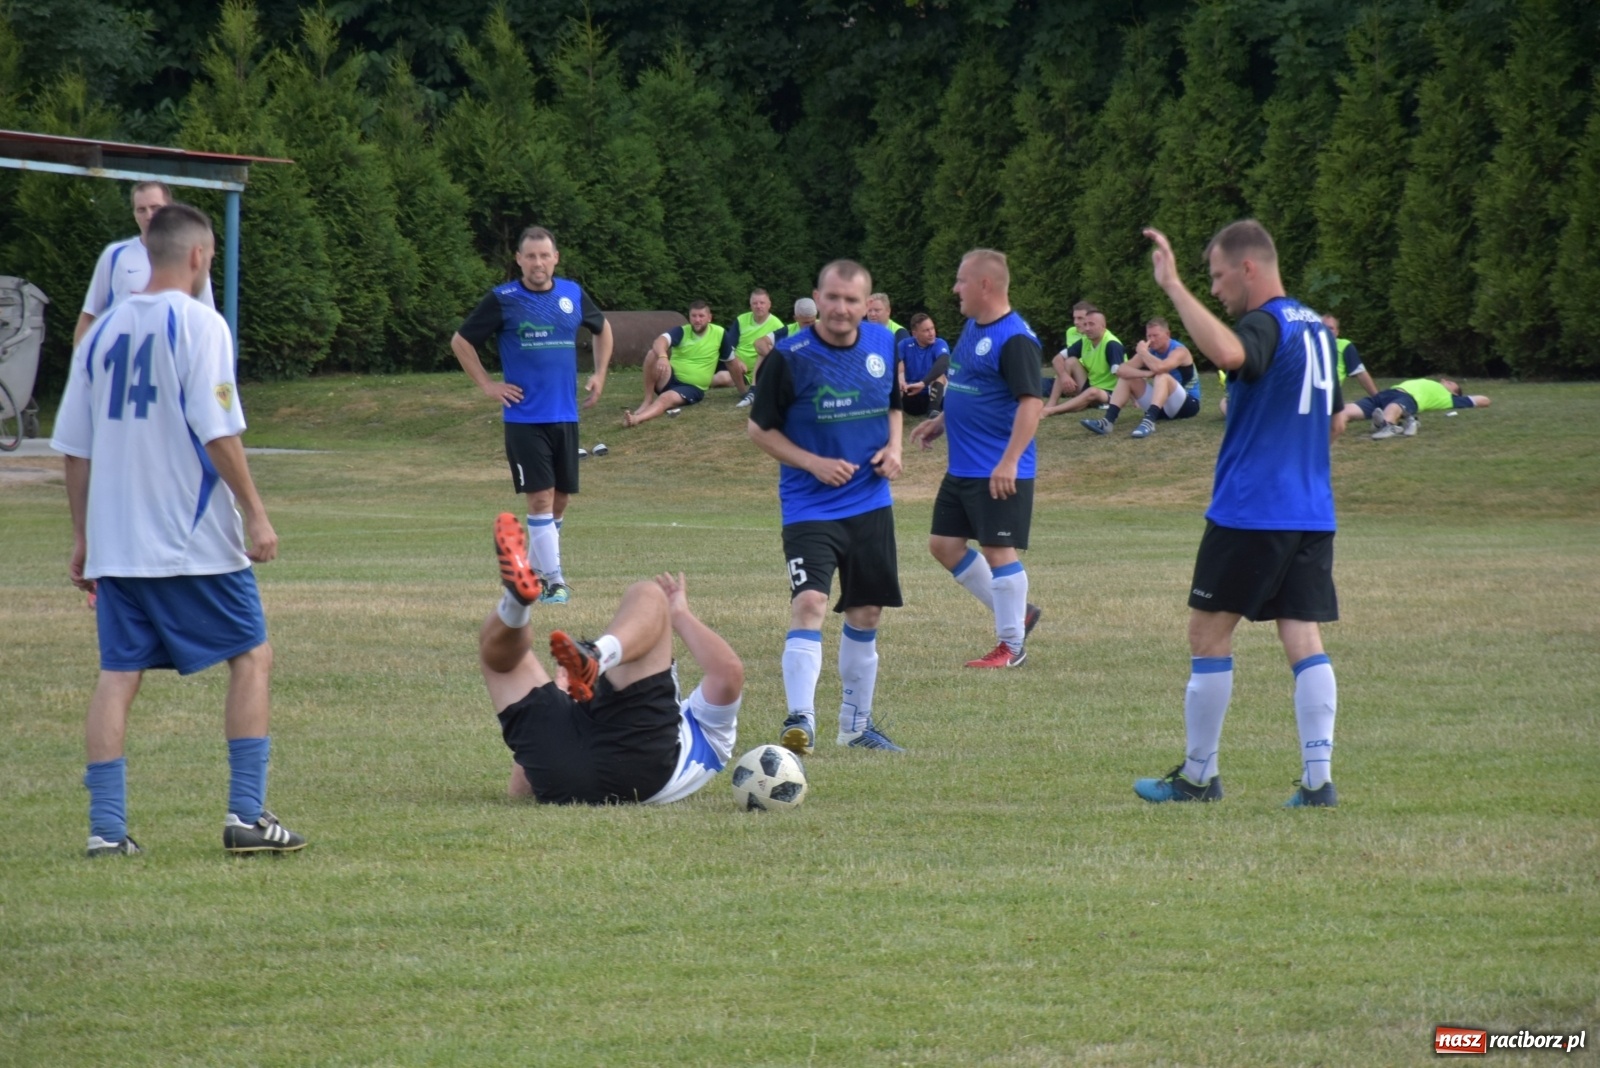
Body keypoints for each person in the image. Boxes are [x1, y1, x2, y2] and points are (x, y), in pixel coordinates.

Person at [51, 203, 303, 856]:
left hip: (117, 543)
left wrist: (83, 537)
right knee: (251, 655)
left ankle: (106, 832)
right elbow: (217, 430)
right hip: (191, 541)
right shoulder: (200, 324)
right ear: (198, 256)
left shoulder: (99, 334)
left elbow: (74, 449)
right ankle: (246, 815)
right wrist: (256, 512)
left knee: (118, 673)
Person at [1133, 219, 1346, 809]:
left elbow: (1229, 352)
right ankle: (1318, 783)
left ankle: (1198, 776)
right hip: (1311, 510)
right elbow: (1334, 420)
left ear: (1248, 268)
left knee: (1207, 633)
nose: (1215, 289)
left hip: (1253, 509)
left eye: (1218, 276)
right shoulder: (1316, 328)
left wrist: (1174, 287)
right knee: (1302, 634)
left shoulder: (1265, 321)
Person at [747, 259, 907, 754]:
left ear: (867, 304)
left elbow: (895, 404)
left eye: (851, 300)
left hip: (870, 501)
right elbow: (758, 430)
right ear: (817, 298)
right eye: (832, 298)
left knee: (867, 612)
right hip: (809, 507)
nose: (841, 308)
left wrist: (895, 448)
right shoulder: (790, 356)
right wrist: (813, 463)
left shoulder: (883, 343)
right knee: (810, 602)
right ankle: (801, 719)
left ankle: (855, 727)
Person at [484, 514, 742, 805]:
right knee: (502, 664)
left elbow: (729, 672)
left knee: (649, 594)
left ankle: (585, 648)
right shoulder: (697, 738)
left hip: (634, 762)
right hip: (582, 776)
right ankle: (517, 603)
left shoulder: (714, 736)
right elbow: (521, 789)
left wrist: (678, 614)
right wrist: (559, 703)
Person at [452, 225, 614, 606]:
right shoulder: (503, 299)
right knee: (540, 499)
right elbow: (461, 341)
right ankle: (554, 581)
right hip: (524, 419)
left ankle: (532, 571)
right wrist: (488, 385)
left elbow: (603, 329)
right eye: (530, 256)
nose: (538, 263)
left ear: (555, 258)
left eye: (544, 255)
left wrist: (600, 374)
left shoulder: (572, 294)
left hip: (566, 415)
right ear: (519, 260)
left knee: (559, 501)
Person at [910, 249, 1044, 668]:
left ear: (985, 285)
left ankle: (1012, 647)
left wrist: (1009, 461)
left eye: (961, 280)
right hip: (964, 466)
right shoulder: (972, 326)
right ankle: (1019, 614)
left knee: (998, 550)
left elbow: (1031, 404)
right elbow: (968, 383)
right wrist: (942, 420)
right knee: (944, 545)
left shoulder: (1015, 338)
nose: (955, 288)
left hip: (997, 468)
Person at [76, 181, 215, 345]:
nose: (149, 216)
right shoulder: (114, 255)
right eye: (141, 210)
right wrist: (80, 358)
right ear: (134, 214)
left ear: (169, 210)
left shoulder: (189, 257)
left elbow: (207, 322)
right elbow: (89, 315)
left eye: (155, 208)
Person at [1079, 317, 1201, 438]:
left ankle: (1149, 422)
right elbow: (1121, 370)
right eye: (1149, 336)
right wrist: (1146, 374)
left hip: (1187, 405)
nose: (1151, 340)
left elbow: (1161, 368)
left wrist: (1143, 353)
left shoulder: (1179, 351)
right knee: (1127, 378)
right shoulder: (1149, 351)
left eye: (1156, 336)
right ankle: (1107, 421)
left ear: (1167, 334)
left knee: (1162, 375)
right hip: (1162, 407)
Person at [624, 301, 736, 427]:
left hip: (692, 387)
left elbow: (731, 362)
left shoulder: (719, 333)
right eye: (694, 316)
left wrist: (742, 391)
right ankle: (648, 400)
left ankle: (636, 419)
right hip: (670, 378)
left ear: (709, 318)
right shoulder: (682, 331)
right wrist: (663, 356)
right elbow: (659, 341)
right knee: (652, 353)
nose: (697, 320)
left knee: (665, 398)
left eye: (701, 316)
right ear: (689, 317)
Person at [1042, 305, 1125, 416]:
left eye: (1091, 324)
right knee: (1070, 361)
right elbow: (1057, 359)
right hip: (1091, 385)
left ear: (1103, 326)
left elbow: (1123, 375)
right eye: (1085, 324)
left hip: (1109, 393)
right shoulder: (1086, 340)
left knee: (1093, 392)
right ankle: (1051, 403)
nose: (1087, 328)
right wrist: (1064, 376)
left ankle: (1052, 411)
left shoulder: (1112, 344)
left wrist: (1131, 398)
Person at [1345, 377, 1490, 439]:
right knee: (1346, 410)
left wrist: (1462, 398)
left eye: (1450, 383)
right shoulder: (1434, 385)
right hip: (1387, 393)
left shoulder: (1449, 398)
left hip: (1409, 398)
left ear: (1454, 392)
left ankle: (1388, 426)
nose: (1444, 380)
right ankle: (1379, 423)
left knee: (1393, 407)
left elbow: (1484, 400)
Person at [730, 289, 785, 408]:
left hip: (762, 369)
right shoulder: (741, 320)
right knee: (722, 378)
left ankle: (755, 388)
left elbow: (780, 354)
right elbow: (730, 347)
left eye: (762, 303)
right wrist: (737, 361)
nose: (758, 306)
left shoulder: (778, 325)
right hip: (739, 369)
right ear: (750, 305)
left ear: (769, 304)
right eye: (755, 303)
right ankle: (744, 390)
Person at [896, 312, 951, 417]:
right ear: (915, 334)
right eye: (926, 330)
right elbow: (898, 362)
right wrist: (901, 379)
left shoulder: (939, 343)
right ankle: (893, 414)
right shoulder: (904, 344)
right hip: (910, 392)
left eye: (932, 328)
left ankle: (933, 410)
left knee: (940, 375)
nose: (931, 333)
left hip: (932, 394)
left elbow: (943, 362)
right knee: (896, 380)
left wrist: (923, 383)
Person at [1321, 314, 1379, 400]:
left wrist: (1378, 399)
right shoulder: (1307, 347)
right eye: (1322, 327)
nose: (1327, 331)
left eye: (1331, 328)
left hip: (1329, 396)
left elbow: (1361, 373)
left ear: (1337, 332)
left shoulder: (1344, 346)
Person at [754, 298, 818, 363]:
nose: (810, 325)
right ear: (796, 318)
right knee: (764, 351)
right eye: (806, 323)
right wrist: (775, 359)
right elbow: (760, 342)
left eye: (813, 321)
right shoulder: (788, 330)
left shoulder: (823, 327)